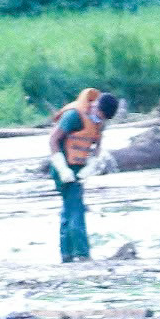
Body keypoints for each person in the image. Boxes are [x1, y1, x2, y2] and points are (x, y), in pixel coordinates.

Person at [45, 87, 119, 263]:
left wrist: (92, 166)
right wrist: (62, 168)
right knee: (76, 208)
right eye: (99, 115)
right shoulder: (74, 115)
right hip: (62, 165)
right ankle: (82, 254)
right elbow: (53, 140)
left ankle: (67, 255)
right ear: (95, 105)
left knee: (69, 209)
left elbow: (96, 148)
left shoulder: (99, 122)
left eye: (103, 119)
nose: (99, 120)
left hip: (79, 167)